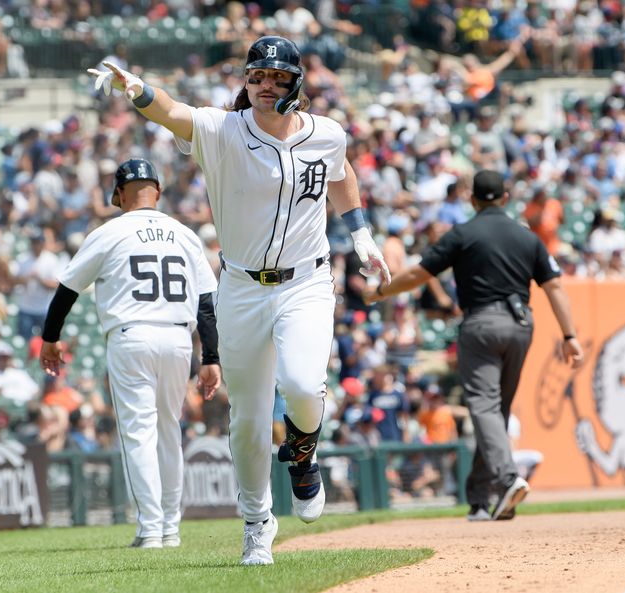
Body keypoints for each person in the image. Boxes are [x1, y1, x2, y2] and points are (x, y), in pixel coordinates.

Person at [88, 35, 390, 565]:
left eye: (276, 78)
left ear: (297, 83)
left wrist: (361, 234)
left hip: (306, 281)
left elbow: (341, 176)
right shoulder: (222, 130)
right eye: (256, 77)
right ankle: (257, 523)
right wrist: (135, 87)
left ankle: (301, 455)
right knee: (248, 419)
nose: (265, 86)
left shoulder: (327, 133)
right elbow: (172, 112)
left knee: (301, 385)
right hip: (242, 287)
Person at [364, 170, 584, 521]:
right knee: (495, 412)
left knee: (483, 406)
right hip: (520, 325)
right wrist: (570, 336)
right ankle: (482, 498)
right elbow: (554, 287)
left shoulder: (463, 234)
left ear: (473, 199)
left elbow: (420, 274)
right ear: (506, 198)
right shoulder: (527, 237)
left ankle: (508, 478)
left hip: (481, 324)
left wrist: (379, 291)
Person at [39, 158, 221, 549]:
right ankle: (170, 528)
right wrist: (211, 357)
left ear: (119, 194)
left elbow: (67, 289)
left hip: (132, 335)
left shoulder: (110, 232)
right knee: (169, 433)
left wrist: (50, 338)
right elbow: (206, 301)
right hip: (177, 339)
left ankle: (151, 529)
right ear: (156, 190)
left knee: (139, 434)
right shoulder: (184, 233)